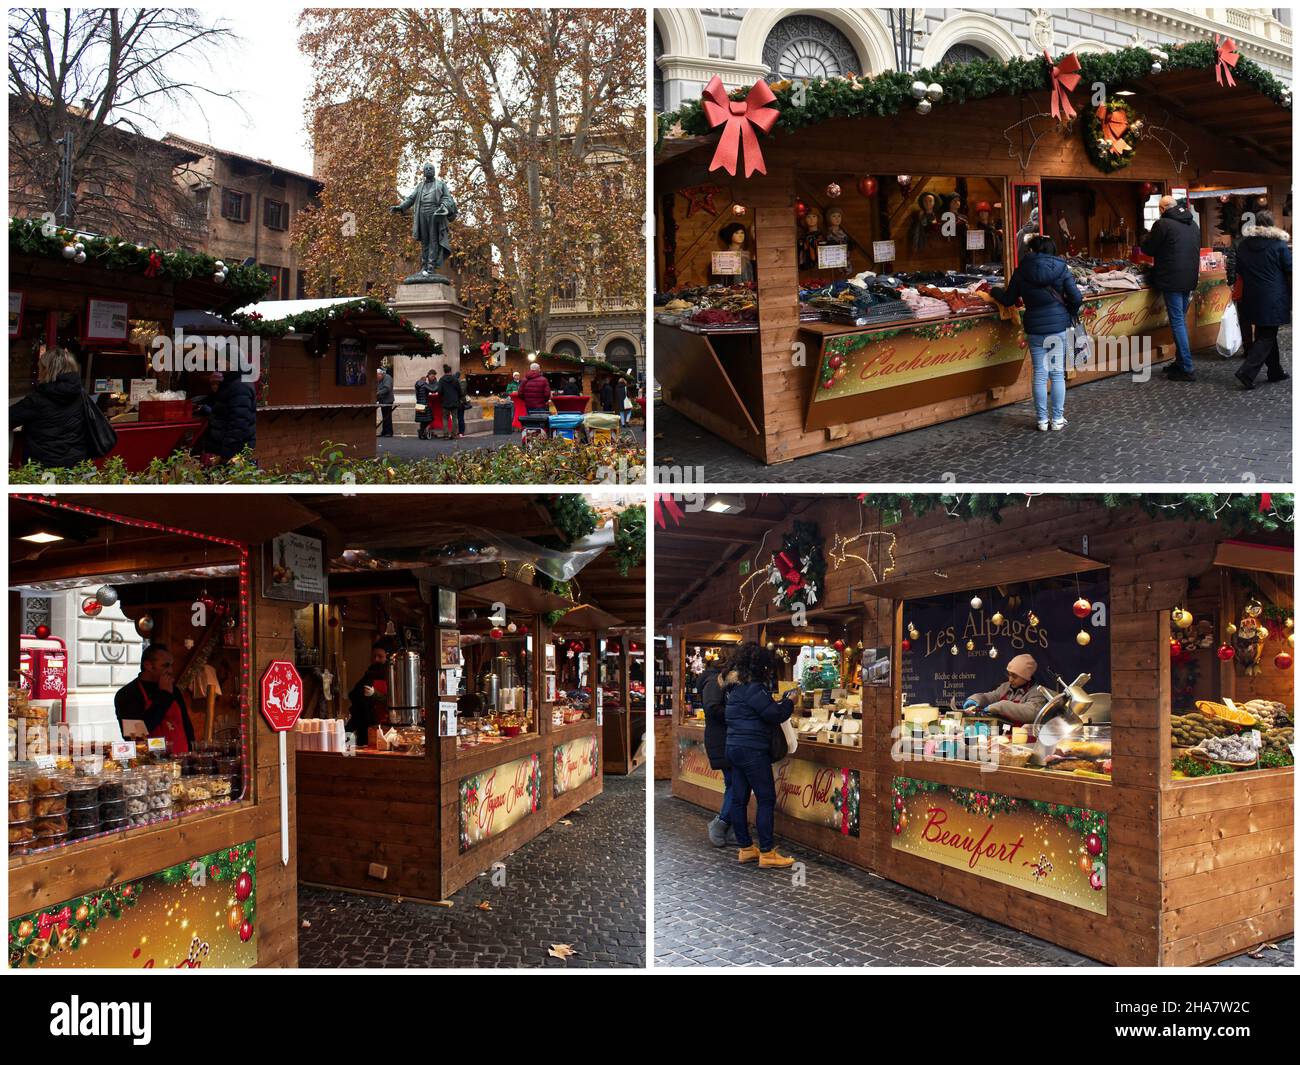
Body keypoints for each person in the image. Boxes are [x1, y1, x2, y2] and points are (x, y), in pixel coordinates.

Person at [991, 234, 1083, 432]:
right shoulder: (1062, 269)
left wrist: (993, 291)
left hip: (1035, 328)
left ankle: (1042, 420)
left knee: (1040, 374)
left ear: (1033, 250)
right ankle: (1057, 419)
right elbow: (1076, 297)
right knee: (1058, 374)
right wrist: (1069, 312)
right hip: (1058, 327)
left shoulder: (1022, 271)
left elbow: (1008, 299)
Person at [722, 643, 797, 869]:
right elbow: (774, 714)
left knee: (739, 798)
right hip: (752, 750)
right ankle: (766, 852)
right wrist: (789, 702)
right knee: (765, 798)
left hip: (734, 748)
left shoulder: (734, 689)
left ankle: (745, 848)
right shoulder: (755, 689)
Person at [1141, 195, 1201, 381]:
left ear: (1162, 209)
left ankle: (1187, 367)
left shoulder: (1163, 224)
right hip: (1189, 278)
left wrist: (1145, 239)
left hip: (1171, 279)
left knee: (1177, 322)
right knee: (1180, 321)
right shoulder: (1193, 224)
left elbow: (1148, 249)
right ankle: (1180, 361)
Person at [1231, 210, 1291, 389]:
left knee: (1266, 331)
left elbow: (1239, 269)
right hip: (1273, 295)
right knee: (1267, 334)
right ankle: (1247, 372)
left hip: (1252, 294)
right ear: (1271, 224)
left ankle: (1275, 371)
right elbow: (1289, 268)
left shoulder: (1243, 245)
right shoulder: (1278, 245)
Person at [9, 346, 93, 468]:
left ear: (47, 370)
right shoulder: (81, 394)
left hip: (43, 467)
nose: (38, 372)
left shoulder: (38, 399)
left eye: (40, 368)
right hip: (76, 464)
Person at [114, 644, 195, 754]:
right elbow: (133, 734)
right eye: (165, 666)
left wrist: (192, 754)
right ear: (148, 665)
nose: (171, 670)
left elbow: (186, 726)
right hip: (150, 763)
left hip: (181, 760)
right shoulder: (127, 694)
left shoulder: (173, 690)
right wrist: (164, 696)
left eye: (171, 665)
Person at [701, 658, 739, 848]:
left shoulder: (724, 682)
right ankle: (721, 823)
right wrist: (736, 713)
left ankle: (731, 828)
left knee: (734, 783)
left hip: (726, 739)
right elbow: (711, 708)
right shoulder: (713, 682)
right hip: (721, 740)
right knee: (734, 784)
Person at [961, 653, 1047, 725]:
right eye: (1009, 674)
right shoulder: (1005, 687)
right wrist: (975, 699)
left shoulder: (1037, 692)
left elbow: (1030, 713)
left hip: (1024, 737)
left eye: (1014, 676)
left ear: (1027, 677)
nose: (1010, 679)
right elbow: (990, 697)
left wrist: (1001, 706)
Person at [195, 369, 257, 461]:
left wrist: (225, 455)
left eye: (216, 384)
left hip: (231, 452)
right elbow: (222, 415)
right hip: (226, 449)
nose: (214, 387)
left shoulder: (240, 387)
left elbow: (238, 425)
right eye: (213, 384)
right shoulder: (224, 391)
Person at [346, 643, 390, 743]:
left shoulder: (391, 676)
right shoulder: (369, 674)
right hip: (366, 723)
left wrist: (374, 694)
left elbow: (392, 700)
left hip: (384, 725)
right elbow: (353, 694)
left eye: (380, 656)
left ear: (386, 657)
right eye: (374, 656)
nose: (376, 659)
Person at [436, 363, 462, 440]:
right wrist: (458, 398)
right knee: (454, 418)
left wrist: (442, 398)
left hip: (445, 402)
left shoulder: (441, 380)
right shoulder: (455, 379)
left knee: (445, 419)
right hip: (454, 401)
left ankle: (446, 435)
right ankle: (453, 434)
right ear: (450, 371)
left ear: (444, 371)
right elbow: (459, 391)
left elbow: (439, 391)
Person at [413, 368, 437, 439]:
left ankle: (421, 434)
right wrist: (438, 384)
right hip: (424, 404)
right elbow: (433, 390)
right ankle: (421, 431)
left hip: (419, 403)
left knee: (422, 420)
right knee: (430, 419)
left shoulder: (417, 385)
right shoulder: (424, 384)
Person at [376, 366, 395, 436]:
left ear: (381, 374)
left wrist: (377, 393)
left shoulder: (387, 378)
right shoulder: (381, 379)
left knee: (387, 416)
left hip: (388, 400)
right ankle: (384, 431)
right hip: (383, 400)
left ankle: (389, 432)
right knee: (384, 417)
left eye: (377, 376)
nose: (377, 378)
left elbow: (387, 389)